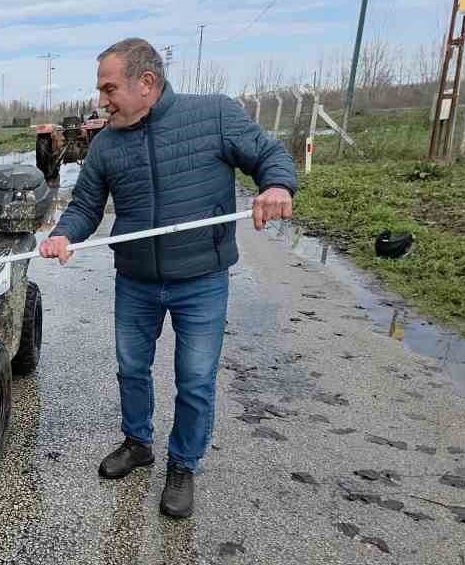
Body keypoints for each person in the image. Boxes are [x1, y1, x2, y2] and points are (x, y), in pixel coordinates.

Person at [39, 38, 296, 519]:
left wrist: (277, 185)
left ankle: (183, 464)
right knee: (131, 368)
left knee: (195, 378)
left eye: (109, 88)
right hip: (135, 280)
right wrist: (62, 235)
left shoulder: (215, 115)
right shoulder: (106, 145)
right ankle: (138, 443)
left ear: (147, 83)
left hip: (201, 278)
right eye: (101, 89)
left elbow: (269, 156)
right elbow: (84, 208)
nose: (102, 100)